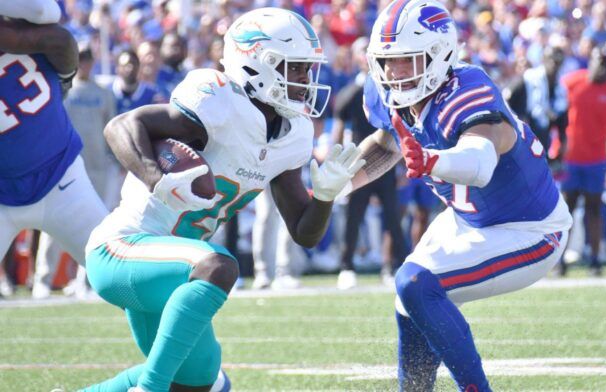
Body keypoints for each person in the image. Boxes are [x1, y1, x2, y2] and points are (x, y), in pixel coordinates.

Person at [82, 8, 363, 392]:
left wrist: (326, 197)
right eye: (294, 68)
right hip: (122, 248)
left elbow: (304, 232)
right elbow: (121, 127)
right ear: (256, 64)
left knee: (203, 385)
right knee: (220, 265)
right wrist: (156, 180)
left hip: (174, 275)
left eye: (307, 69)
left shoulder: (293, 132)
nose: (305, 80)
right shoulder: (218, 99)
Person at [345, 0, 572, 390]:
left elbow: (480, 162)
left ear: (438, 55)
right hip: (469, 219)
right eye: (387, 61)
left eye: (406, 60)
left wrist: (432, 159)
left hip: (531, 230)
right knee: (408, 300)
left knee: (415, 283)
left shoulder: (468, 90)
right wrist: (338, 181)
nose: (393, 73)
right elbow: (386, 144)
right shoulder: (389, 93)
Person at [0, 10, 108, 287]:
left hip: (61, 175)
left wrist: (19, 38)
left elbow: (60, 39)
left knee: (121, 273)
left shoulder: (35, 28)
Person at [33, 43, 118, 299]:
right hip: (66, 165)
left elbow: (111, 127)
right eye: (80, 58)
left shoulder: (103, 93)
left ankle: (88, 279)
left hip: (97, 166)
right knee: (54, 223)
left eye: (87, 58)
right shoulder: (60, 89)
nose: (84, 63)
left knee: (97, 225)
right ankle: (43, 279)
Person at [332, 36, 408, 289]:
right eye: (361, 51)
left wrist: (401, 165)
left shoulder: (391, 90)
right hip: (359, 160)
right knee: (354, 215)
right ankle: (347, 266)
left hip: (386, 160)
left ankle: (394, 265)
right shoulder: (352, 92)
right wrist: (338, 163)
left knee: (392, 216)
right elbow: (340, 126)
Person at [555, 45, 606, 277]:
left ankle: (594, 259)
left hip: (595, 159)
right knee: (567, 211)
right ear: (591, 60)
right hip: (570, 159)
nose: (601, 67)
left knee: (594, 209)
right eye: (598, 61)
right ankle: (559, 260)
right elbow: (557, 109)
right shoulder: (572, 82)